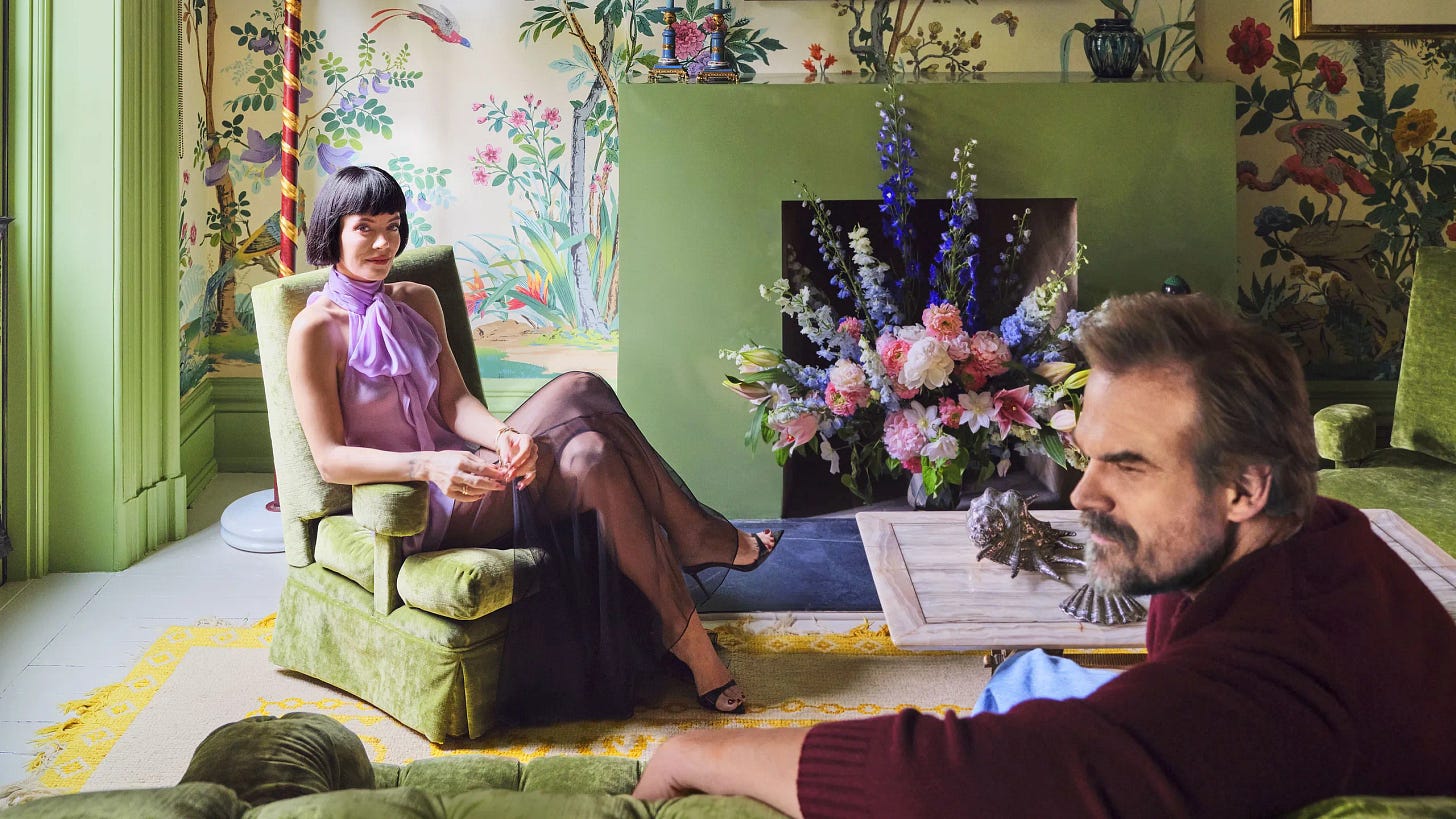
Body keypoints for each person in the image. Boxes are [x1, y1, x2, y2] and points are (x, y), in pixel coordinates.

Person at [633, 292, 1456, 817]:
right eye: (1088, 455)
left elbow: (963, 782)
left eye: (1128, 465)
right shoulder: (1308, 537)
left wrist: (700, 750)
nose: (1083, 494)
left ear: (1244, 487)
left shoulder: (1272, 670)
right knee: (1031, 682)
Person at [288, 165, 780, 720]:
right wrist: (429, 466)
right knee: (582, 388)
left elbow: (454, 403)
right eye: (365, 228)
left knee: (592, 455)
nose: (384, 243)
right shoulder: (314, 330)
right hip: (419, 501)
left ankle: (689, 642)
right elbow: (329, 459)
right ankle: (696, 535)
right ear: (334, 231)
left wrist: (505, 436)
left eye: (393, 226)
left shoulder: (418, 300)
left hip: (472, 471)